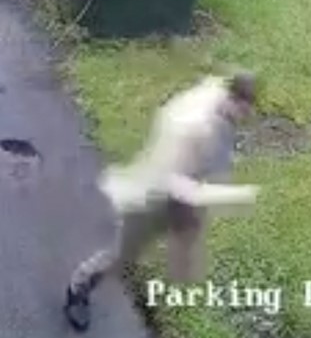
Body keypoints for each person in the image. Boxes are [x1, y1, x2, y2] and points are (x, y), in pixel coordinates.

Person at [63, 72, 262, 332]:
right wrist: (238, 196)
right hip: (154, 199)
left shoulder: (218, 109)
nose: (248, 115)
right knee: (121, 255)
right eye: (244, 107)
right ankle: (77, 288)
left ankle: (170, 284)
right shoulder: (198, 126)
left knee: (179, 260)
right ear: (234, 100)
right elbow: (184, 186)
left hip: (176, 201)